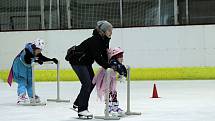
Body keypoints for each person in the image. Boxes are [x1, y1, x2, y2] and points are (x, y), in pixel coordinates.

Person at [65, 20, 127, 118]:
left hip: (86, 62)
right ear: (102, 31)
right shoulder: (95, 40)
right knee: (87, 83)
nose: (111, 32)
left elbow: (105, 55)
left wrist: (112, 65)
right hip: (77, 61)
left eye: (111, 30)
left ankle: (78, 103)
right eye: (109, 30)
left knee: (93, 82)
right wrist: (109, 66)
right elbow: (98, 58)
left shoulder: (104, 40)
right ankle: (82, 110)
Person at [7, 38, 58, 104]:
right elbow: (27, 60)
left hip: (27, 68)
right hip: (19, 67)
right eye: (39, 50)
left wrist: (51, 59)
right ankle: (21, 95)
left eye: (40, 50)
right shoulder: (27, 51)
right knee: (23, 81)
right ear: (34, 48)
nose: (39, 51)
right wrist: (36, 60)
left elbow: (41, 57)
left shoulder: (36, 51)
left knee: (30, 82)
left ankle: (32, 96)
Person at [92, 47, 127, 117]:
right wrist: (122, 74)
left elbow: (122, 68)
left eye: (122, 56)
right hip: (106, 77)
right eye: (120, 56)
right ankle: (108, 108)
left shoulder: (118, 63)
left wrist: (123, 75)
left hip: (112, 78)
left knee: (114, 91)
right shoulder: (113, 62)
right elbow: (117, 67)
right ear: (115, 57)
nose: (122, 58)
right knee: (107, 91)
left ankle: (115, 107)